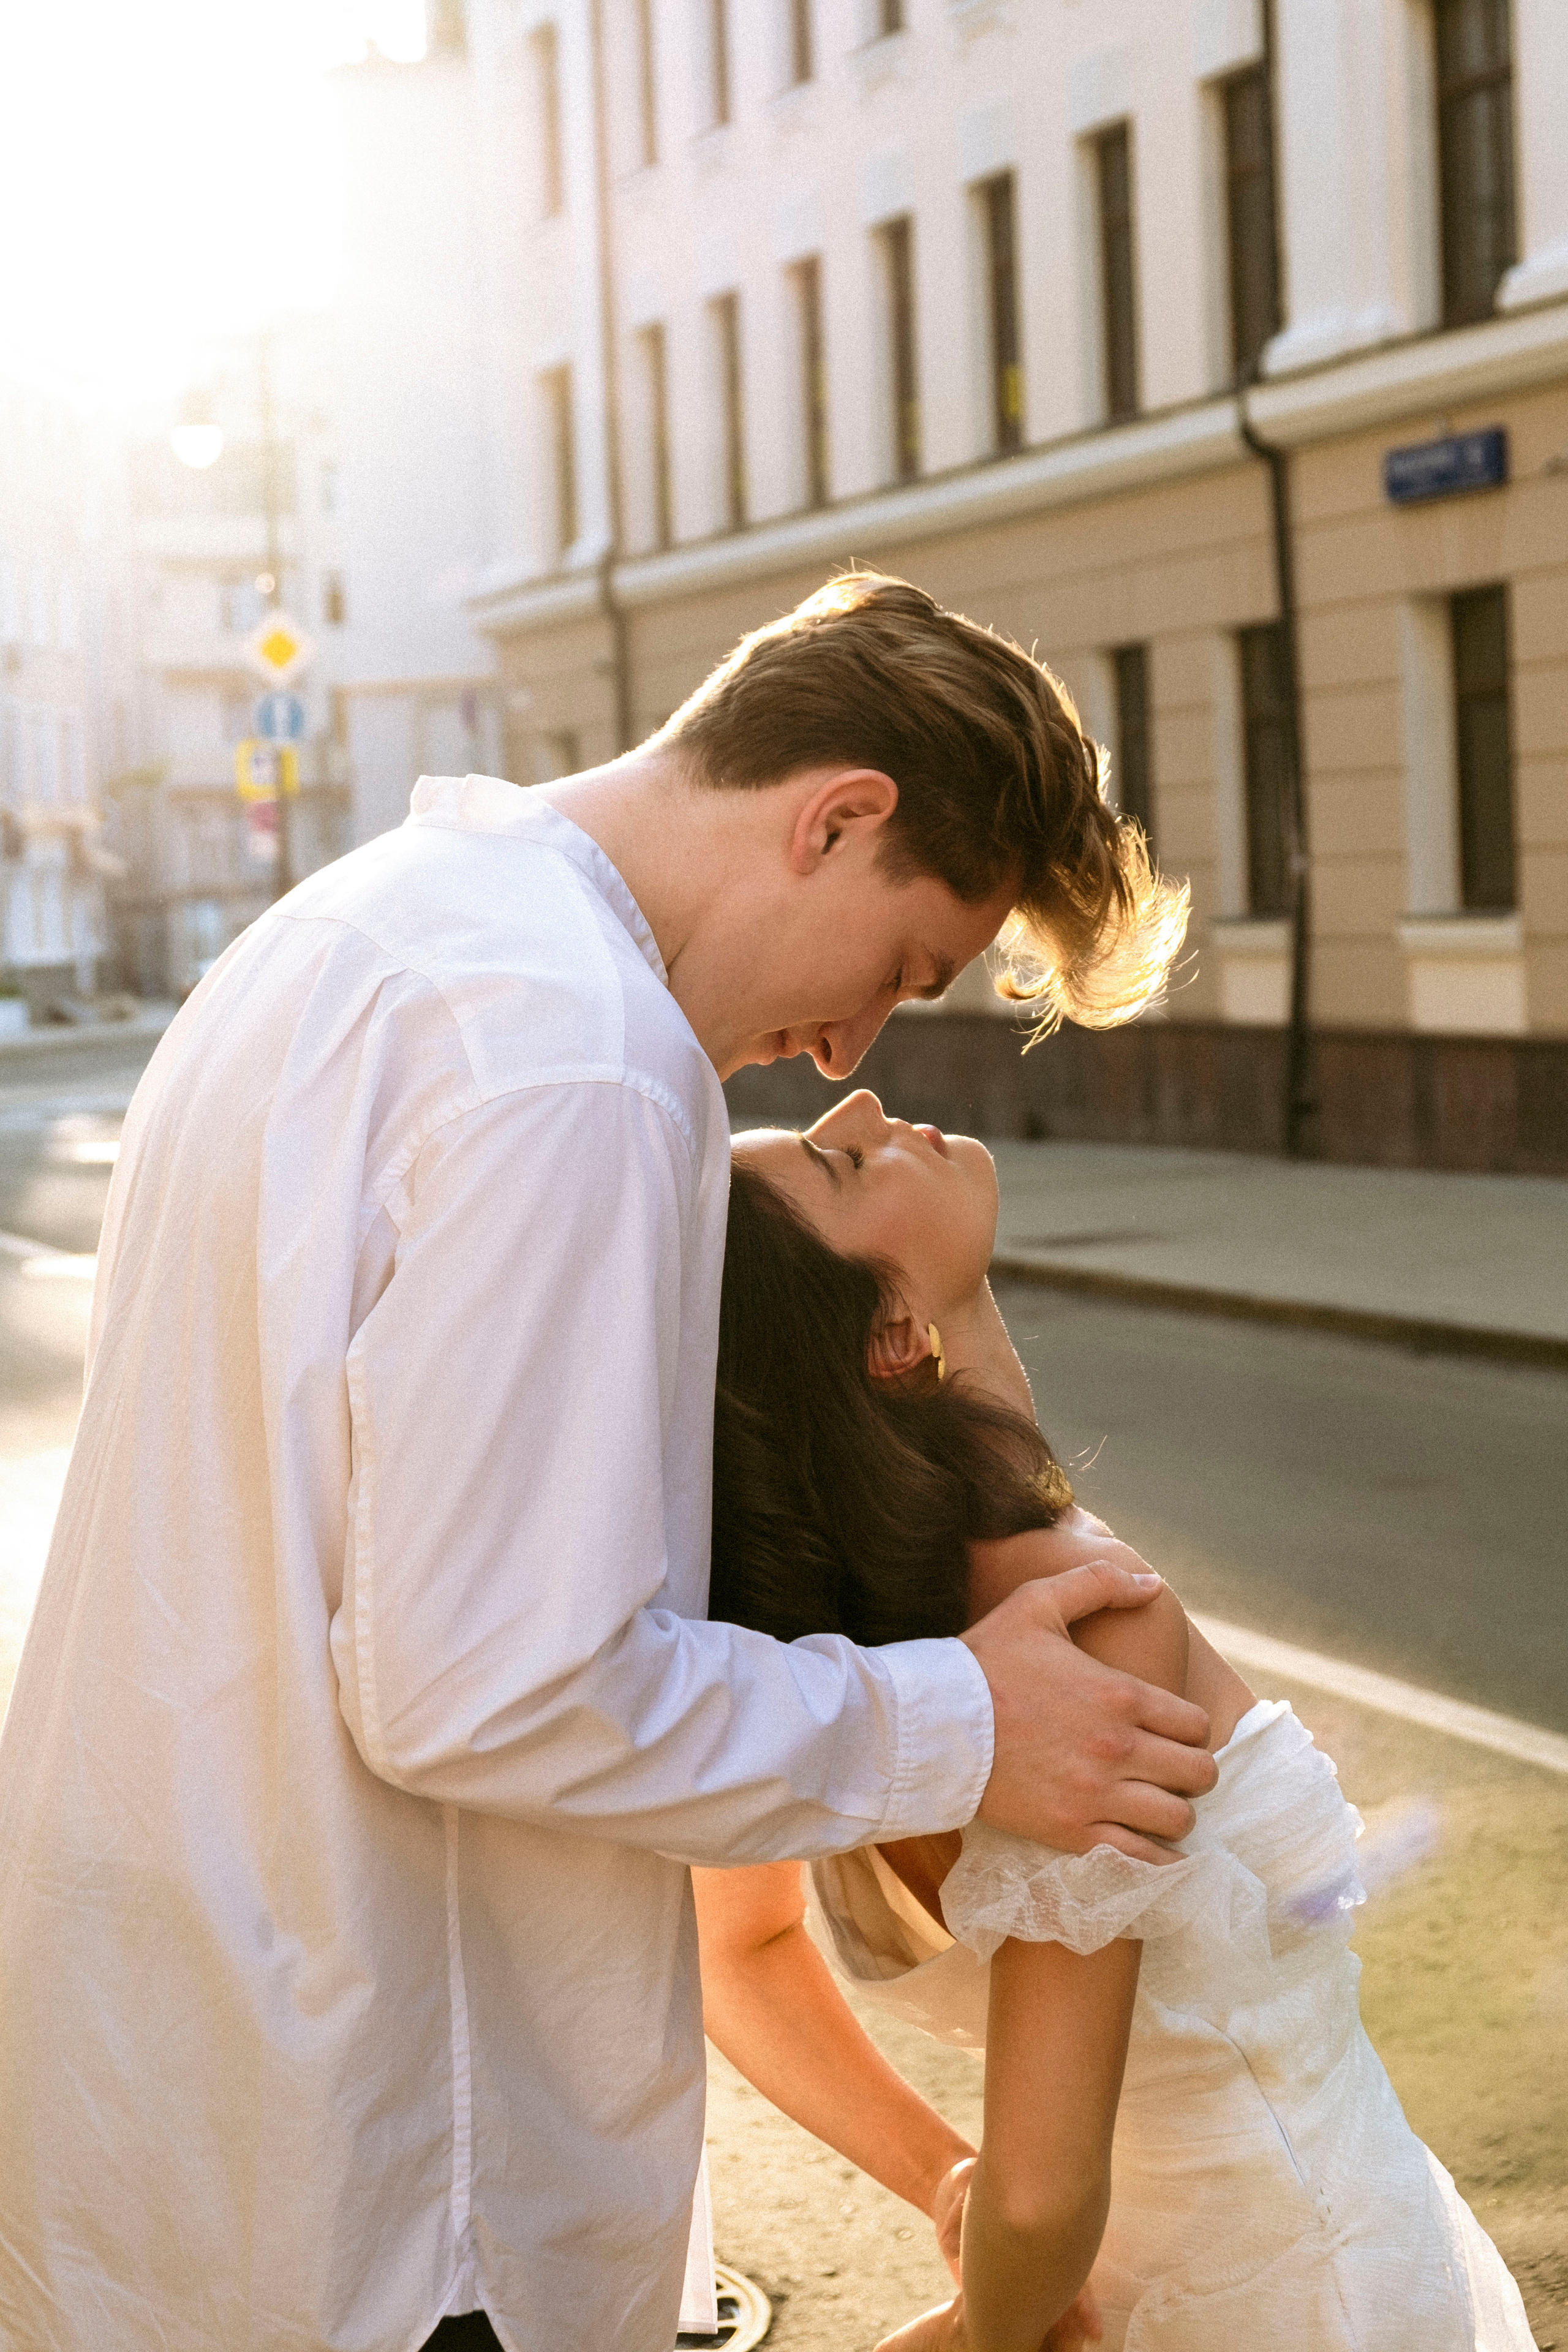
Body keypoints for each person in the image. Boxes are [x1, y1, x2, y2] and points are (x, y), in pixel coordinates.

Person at [0, 574, 1215, 2352]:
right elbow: (487, 1686)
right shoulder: (582, 1058)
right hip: (401, 2183)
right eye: (899, 969)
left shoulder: (354, 928)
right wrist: (960, 1724)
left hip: (177, 2092)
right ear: (838, 815)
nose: (847, 1052)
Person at [693, 1090, 1534, 2352]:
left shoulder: (826, 1660)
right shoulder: (1079, 1623)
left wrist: (941, 2180)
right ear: (884, 1339)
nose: (862, 1099)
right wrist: (982, 2329)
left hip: (1151, 2290)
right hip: (1307, 2298)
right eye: (840, 1161)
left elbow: (739, 1955)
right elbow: (1039, 2195)